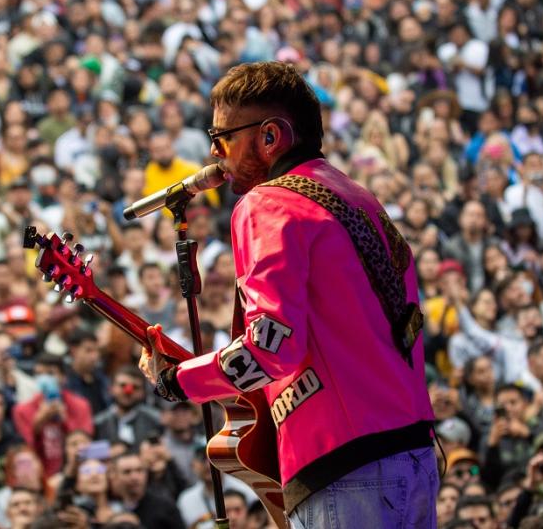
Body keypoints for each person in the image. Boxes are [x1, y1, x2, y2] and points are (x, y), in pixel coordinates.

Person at [138, 62, 436, 527]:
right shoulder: (357, 196)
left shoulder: (268, 204)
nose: (215, 153)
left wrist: (179, 380)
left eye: (222, 138)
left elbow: (272, 347)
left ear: (271, 137)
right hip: (411, 449)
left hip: (345, 463)